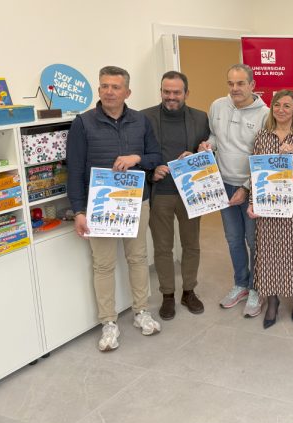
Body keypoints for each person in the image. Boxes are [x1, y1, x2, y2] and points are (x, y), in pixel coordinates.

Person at [67, 66, 163, 352]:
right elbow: (73, 171)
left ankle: (141, 311)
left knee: (138, 258)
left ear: (127, 92)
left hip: (136, 200)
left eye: (115, 87)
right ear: (99, 90)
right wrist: (78, 211)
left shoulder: (141, 121)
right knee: (103, 265)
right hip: (100, 204)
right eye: (104, 86)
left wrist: (137, 158)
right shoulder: (82, 123)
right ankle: (108, 322)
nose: (109, 91)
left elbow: (155, 156)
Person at [198, 64, 269, 318]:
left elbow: (264, 156)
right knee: (233, 239)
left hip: (251, 187)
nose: (235, 89)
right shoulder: (218, 106)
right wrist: (208, 145)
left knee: (254, 241)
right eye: (231, 83)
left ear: (252, 85)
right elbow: (215, 137)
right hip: (222, 184)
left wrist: (246, 188)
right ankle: (240, 283)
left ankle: (256, 288)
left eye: (240, 83)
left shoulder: (265, 114)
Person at [246, 89, 293, 328]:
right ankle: (273, 300)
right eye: (277, 105)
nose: (281, 110)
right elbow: (255, 173)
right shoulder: (262, 136)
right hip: (268, 201)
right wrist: (252, 203)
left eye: (287, 106)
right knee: (269, 251)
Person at [142, 71, 210, 321]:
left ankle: (189, 291)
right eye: (166, 91)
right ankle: (168, 295)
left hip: (192, 193)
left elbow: (208, 151)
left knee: (191, 245)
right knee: (163, 248)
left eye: (176, 92)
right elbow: (139, 153)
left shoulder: (201, 118)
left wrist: (200, 153)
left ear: (186, 93)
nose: (171, 97)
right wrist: (152, 170)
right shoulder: (144, 118)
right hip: (161, 193)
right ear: (161, 91)